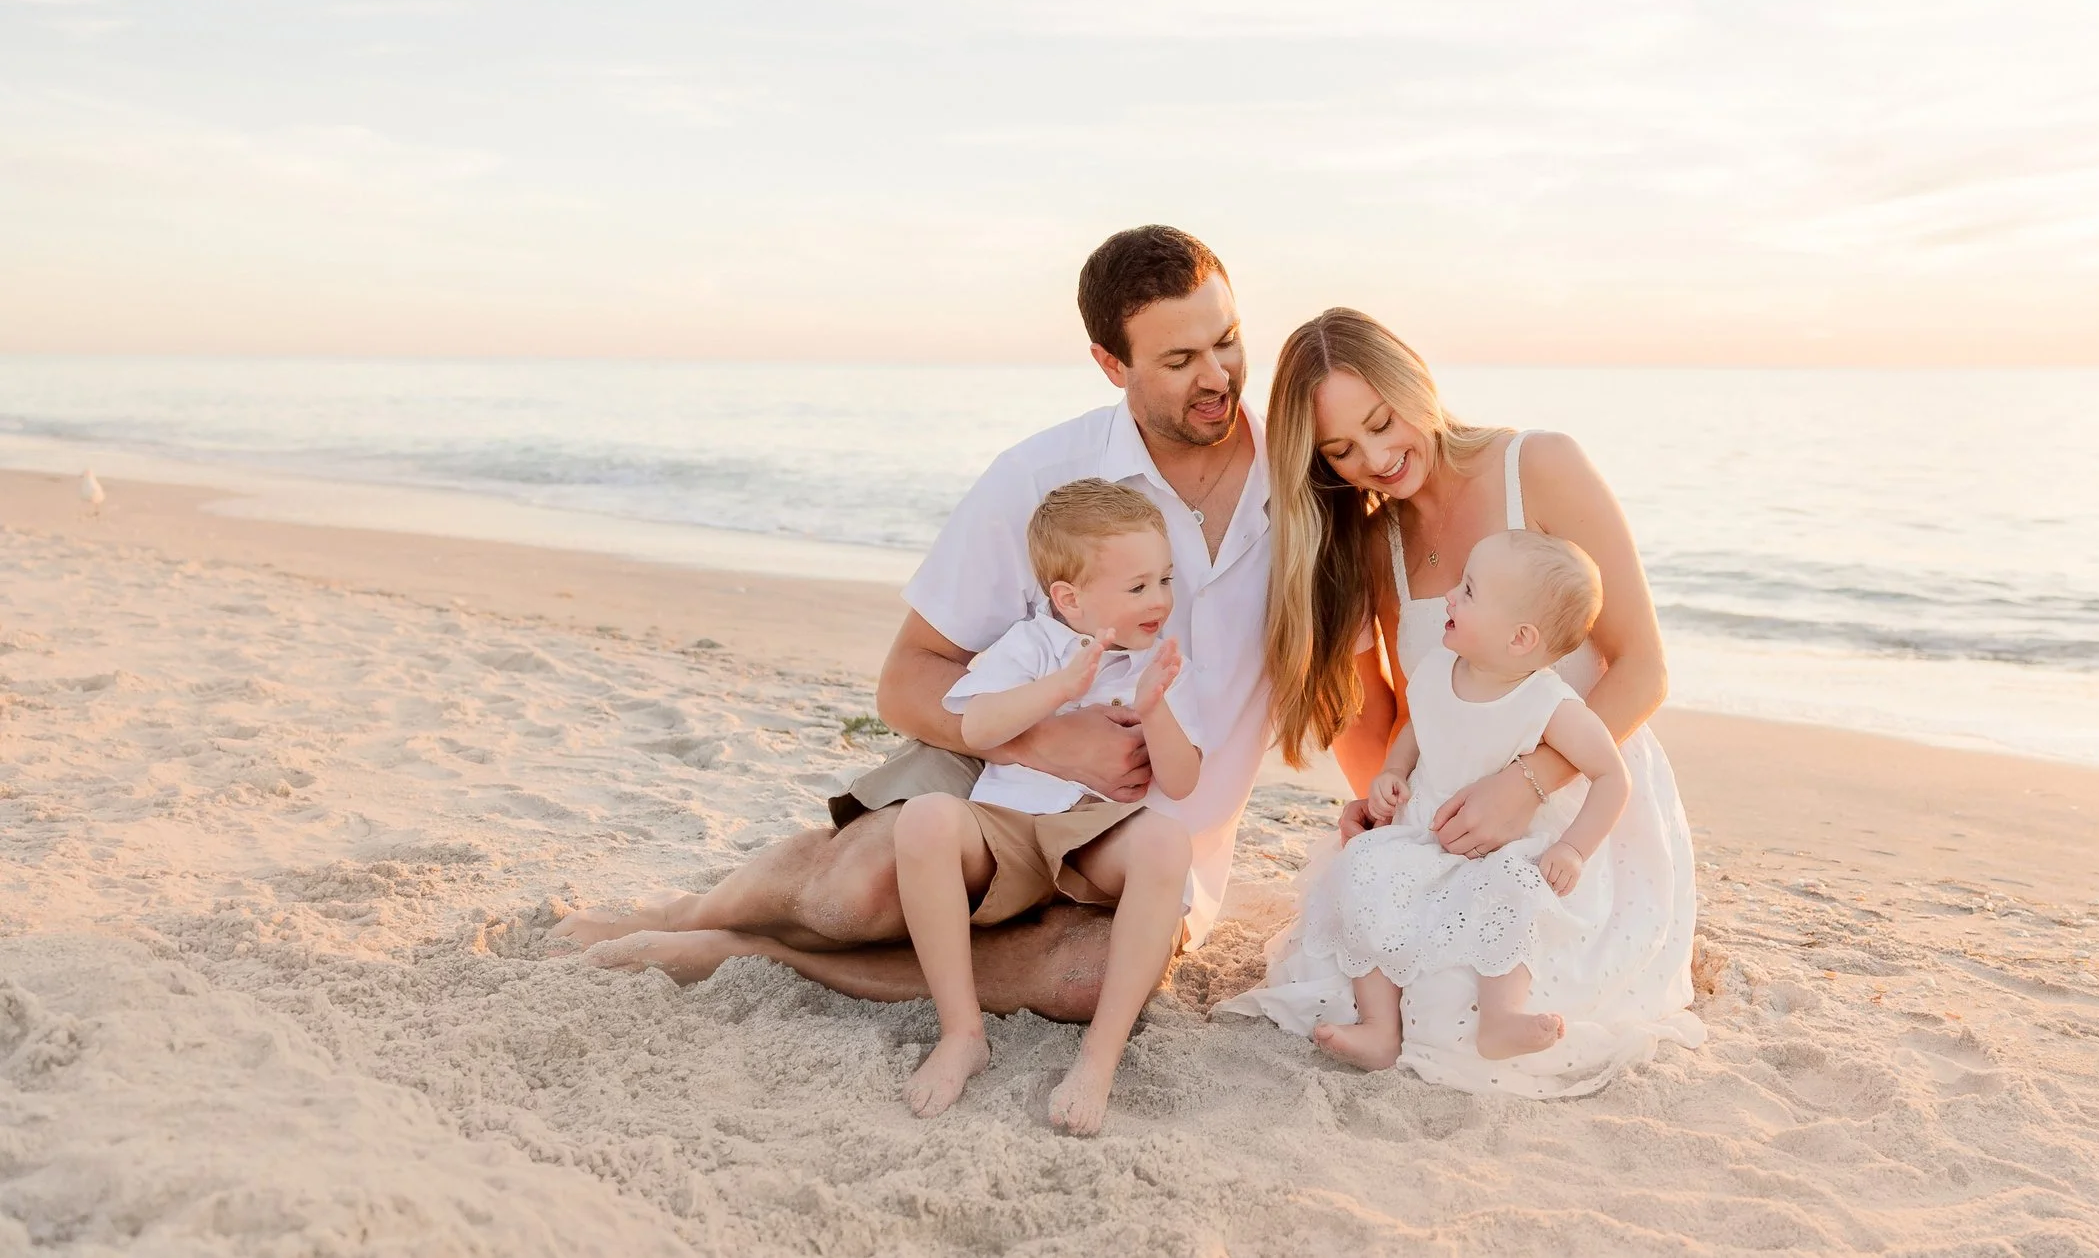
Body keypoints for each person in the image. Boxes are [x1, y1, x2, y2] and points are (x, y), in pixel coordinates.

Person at [554, 227, 1272, 1034]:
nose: (1217, 377)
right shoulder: (1041, 478)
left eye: (1228, 341)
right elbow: (909, 676)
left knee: (1087, 979)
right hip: (997, 776)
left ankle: (760, 955)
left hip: (1154, 832)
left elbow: (1384, 659)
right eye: (1179, 361)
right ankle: (692, 911)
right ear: (1112, 364)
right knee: (856, 889)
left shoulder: (1305, 481)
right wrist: (1045, 742)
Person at [1220, 308, 1704, 1097]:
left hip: (1577, 802)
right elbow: (1401, 716)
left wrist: (1529, 785)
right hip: (1458, 820)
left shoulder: (1540, 466)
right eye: (1340, 450)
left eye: (1381, 421)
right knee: (1367, 963)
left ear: (1414, 377)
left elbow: (1644, 668)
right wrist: (1384, 806)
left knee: (1462, 1014)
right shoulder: (1379, 546)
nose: (1375, 457)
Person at [896, 480, 1205, 1132]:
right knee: (924, 819)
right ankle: (962, 1031)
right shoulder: (1030, 644)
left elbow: (1179, 781)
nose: (1159, 600)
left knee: (1168, 843)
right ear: (1070, 598)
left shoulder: (1164, 662)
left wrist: (1153, 712)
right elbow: (978, 728)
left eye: (1164, 580)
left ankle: (1098, 1056)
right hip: (1006, 824)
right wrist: (1062, 686)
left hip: (1094, 835)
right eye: (1138, 586)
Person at [1296, 530, 1640, 1086]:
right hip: (1425, 830)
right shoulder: (1438, 666)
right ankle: (1379, 1026)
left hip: (1500, 846)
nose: (1450, 597)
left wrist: (1574, 849)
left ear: (1520, 638)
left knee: (1513, 890)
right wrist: (1391, 772)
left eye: (1470, 591)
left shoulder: (1546, 703)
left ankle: (1500, 1017)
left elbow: (1611, 776)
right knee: (1362, 870)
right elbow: (1415, 725)